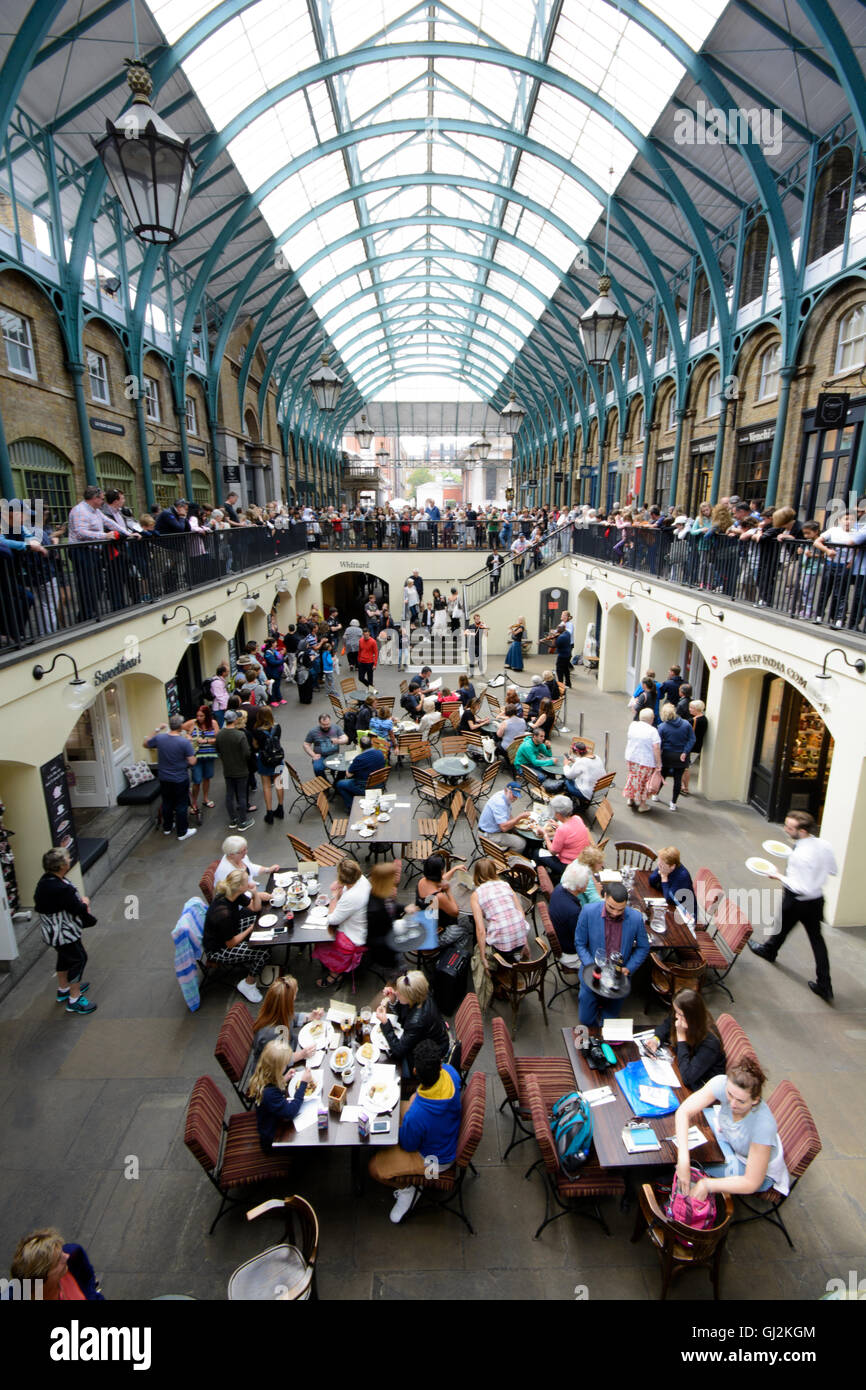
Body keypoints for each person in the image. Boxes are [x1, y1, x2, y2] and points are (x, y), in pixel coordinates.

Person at [368, 1038, 462, 1223]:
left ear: (415, 1071)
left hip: (435, 1162)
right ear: (440, 1065)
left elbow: (407, 1144)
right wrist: (412, 1106)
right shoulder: (450, 1073)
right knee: (395, 1112)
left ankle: (408, 1189)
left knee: (375, 1169)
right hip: (445, 1132)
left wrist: (408, 1118)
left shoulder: (418, 1115)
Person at [748, 809, 837, 1001]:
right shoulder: (825, 845)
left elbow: (799, 886)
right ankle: (825, 985)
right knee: (817, 940)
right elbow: (833, 870)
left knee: (783, 925)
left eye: (790, 827)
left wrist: (778, 875)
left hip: (796, 899)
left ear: (803, 831)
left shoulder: (799, 856)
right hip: (816, 900)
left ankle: (769, 950)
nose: (786, 829)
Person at [672, 1058, 789, 1201]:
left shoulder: (763, 1126)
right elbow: (684, 1111)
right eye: (729, 1095)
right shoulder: (722, 1083)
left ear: (755, 1100)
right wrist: (683, 1158)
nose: (732, 1104)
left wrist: (707, 1185)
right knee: (680, 1151)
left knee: (693, 1168)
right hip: (729, 1139)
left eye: (741, 1101)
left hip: (751, 1166)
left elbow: (751, 1182)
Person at [574, 882, 650, 1025]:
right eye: (611, 907)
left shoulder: (635, 918)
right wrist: (591, 966)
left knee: (609, 1022)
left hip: (618, 978)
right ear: (604, 897)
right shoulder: (588, 912)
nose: (615, 913)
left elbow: (643, 947)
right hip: (592, 976)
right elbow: (580, 943)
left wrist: (629, 968)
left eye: (620, 910)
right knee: (585, 1020)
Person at [34, 848, 97, 1015]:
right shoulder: (61, 888)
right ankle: (75, 998)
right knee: (79, 959)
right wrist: (85, 902)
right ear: (61, 866)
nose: (70, 860)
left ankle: (63, 989)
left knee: (64, 958)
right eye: (68, 858)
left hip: (53, 932)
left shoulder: (45, 882)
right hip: (64, 933)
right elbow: (77, 908)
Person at [470, 857, 530, 1009]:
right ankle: (510, 963)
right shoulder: (505, 885)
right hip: (519, 938)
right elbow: (520, 914)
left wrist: (483, 957)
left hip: (503, 946)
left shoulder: (476, 894)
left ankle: (494, 982)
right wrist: (524, 941)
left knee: (479, 950)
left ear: (477, 875)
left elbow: (480, 930)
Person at [203, 868, 269, 1004]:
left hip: (233, 929)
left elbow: (255, 909)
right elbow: (230, 943)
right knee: (263, 953)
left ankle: (254, 955)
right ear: (239, 887)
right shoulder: (223, 914)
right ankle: (248, 984)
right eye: (247, 881)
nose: (249, 883)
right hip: (219, 949)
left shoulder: (233, 894)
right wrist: (251, 929)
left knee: (261, 920)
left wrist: (255, 893)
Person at [644, 989, 725, 1091]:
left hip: (703, 1085)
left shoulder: (710, 1043)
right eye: (676, 1012)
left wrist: (681, 1036)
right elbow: (668, 1024)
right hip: (684, 1065)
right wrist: (656, 1039)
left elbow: (688, 1077)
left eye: (680, 1014)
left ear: (692, 1016)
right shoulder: (683, 1016)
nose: (676, 1017)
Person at [375, 970, 450, 1075]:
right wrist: (393, 1000)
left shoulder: (417, 1021)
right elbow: (404, 1014)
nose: (396, 992)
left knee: (394, 1066)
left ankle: (407, 1081)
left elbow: (398, 1051)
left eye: (400, 993)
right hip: (434, 1037)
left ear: (410, 997)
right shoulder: (422, 995)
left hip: (432, 1053)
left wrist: (385, 1023)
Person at [313, 857, 370, 987]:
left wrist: (334, 897)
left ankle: (335, 973)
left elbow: (332, 919)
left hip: (355, 936)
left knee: (322, 938)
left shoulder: (351, 897)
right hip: (365, 926)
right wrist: (340, 886)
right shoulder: (362, 880)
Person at [248, 1039, 313, 1153]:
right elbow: (290, 1112)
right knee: (310, 1136)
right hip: (273, 1137)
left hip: (272, 1120)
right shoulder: (269, 1094)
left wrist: (283, 1079)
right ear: (277, 1069)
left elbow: (273, 1087)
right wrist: (303, 1084)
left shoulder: (263, 1075)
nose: (286, 1066)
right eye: (285, 1065)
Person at [143, 714, 197, 842]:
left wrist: (157, 729)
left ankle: (167, 827)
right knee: (181, 804)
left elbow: (145, 743)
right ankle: (182, 831)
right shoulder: (184, 742)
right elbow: (192, 761)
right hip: (179, 778)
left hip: (164, 777)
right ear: (180, 727)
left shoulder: (160, 738)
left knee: (167, 802)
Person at [8, 1229, 104, 1300]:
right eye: (58, 1259)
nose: (66, 1256)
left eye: (61, 1252)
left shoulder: (74, 1255)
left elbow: (88, 1279)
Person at [250, 977, 324, 1067]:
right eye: (293, 998)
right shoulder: (271, 1034)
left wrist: (309, 1017)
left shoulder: (275, 1012)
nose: (295, 998)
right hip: (274, 1071)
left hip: (290, 1048)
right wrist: (301, 1055)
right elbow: (277, 1062)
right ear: (286, 1004)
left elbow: (291, 1017)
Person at [549, 860, 600, 966]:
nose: (589, 884)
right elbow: (582, 939)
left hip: (564, 937)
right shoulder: (573, 912)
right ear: (580, 887)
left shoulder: (559, 888)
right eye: (587, 882)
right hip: (571, 955)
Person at [215, 709, 255, 830]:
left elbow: (218, 750)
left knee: (229, 794)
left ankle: (233, 819)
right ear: (235, 720)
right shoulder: (239, 735)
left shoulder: (220, 734)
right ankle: (243, 821)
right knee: (242, 796)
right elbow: (247, 753)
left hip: (228, 769)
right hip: (241, 769)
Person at [539, 795, 591, 883]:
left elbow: (553, 851)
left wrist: (545, 835)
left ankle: (543, 878)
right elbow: (571, 830)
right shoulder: (577, 818)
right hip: (581, 859)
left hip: (568, 865)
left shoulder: (562, 830)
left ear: (558, 814)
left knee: (537, 852)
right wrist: (558, 825)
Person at [657, 702, 696, 810]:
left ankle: (655, 795)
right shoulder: (686, 724)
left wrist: (657, 758)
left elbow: (658, 743)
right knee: (678, 779)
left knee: (662, 775)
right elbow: (692, 739)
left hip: (667, 755)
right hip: (681, 756)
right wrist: (685, 751)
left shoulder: (662, 727)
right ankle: (673, 803)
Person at [622, 707, 662, 812]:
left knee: (633, 778)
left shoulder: (633, 725)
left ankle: (630, 798)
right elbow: (656, 748)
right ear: (652, 719)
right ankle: (642, 804)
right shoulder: (653, 731)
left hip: (631, 757)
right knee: (644, 782)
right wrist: (659, 763)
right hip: (646, 760)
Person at [250, 706, 285, 824]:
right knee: (279, 783)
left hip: (264, 759)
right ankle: (280, 808)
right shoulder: (278, 726)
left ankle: (269, 813)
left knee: (266, 785)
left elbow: (255, 745)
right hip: (278, 758)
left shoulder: (256, 730)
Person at [335, 734, 387, 812]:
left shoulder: (359, 759)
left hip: (364, 787)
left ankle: (351, 806)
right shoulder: (380, 753)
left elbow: (348, 775)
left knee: (339, 784)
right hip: (379, 784)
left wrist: (348, 766)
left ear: (360, 746)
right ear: (372, 743)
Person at [366, 860, 403, 968]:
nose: (397, 878)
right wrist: (398, 938)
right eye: (394, 876)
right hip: (385, 953)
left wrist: (405, 907)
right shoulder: (374, 909)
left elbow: (391, 907)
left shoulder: (383, 893)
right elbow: (372, 938)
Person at [478, 779, 529, 853]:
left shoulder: (504, 795)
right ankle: (509, 860)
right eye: (513, 795)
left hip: (489, 829)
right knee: (521, 843)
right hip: (489, 835)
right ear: (506, 790)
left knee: (519, 831)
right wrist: (519, 817)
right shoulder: (500, 803)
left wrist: (516, 825)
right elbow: (504, 828)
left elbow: (508, 814)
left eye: (516, 796)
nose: (515, 798)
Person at [183, 705, 217, 813]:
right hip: (196, 757)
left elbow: (217, 738)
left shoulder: (213, 723)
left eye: (202, 716)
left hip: (209, 755)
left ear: (206, 716)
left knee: (207, 778)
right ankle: (194, 803)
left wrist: (206, 741)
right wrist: (187, 736)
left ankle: (206, 798)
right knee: (196, 780)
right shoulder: (192, 723)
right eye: (198, 715)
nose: (199, 718)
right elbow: (179, 728)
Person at [648, 845, 694, 913]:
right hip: (669, 901)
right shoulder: (664, 866)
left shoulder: (682, 877)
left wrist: (664, 877)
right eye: (659, 862)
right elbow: (651, 880)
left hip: (683, 910)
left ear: (672, 866)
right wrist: (659, 872)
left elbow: (670, 899)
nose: (659, 865)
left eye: (661, 865)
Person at [563, 740, 606, 813]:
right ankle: (582, 803)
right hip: (601, 790)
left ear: (577, 752)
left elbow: (569, 775)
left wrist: (566, 765)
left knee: (566, 781)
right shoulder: (597, 757)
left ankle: (572, 806)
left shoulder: (581, 762)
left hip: (589, 793)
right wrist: (575, 761)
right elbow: (587, 765)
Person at [303, 712, 348, 776]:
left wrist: (338, 741)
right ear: (319, 723)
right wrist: (313, 755)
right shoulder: (313, 732)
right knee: (318, 769)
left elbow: (345, 739)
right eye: (323, 725)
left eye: (328, 724)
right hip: (321, 756)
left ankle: (337, 782)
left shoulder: (336, 728)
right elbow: (306, 744)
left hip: (334, 755)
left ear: (330, 721)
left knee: (344, 767)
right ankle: (325, 782)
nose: (326, 726)